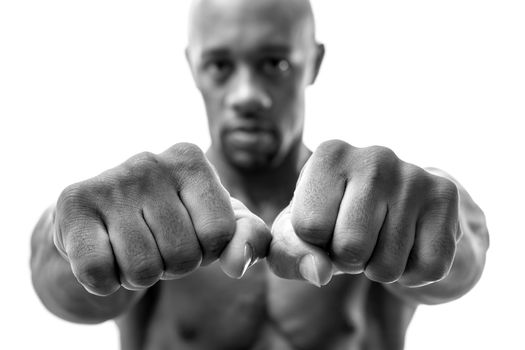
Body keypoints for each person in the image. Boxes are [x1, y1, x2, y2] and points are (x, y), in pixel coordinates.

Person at [30, 0, 489, 348]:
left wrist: (431, 209)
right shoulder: (149, 213)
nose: (247, 94)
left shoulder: (372, 206)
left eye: (276, 63)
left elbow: (462, 248)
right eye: (220, 65)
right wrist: (74, 230)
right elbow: (61, 283)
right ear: (192, 67)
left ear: (314, 61)